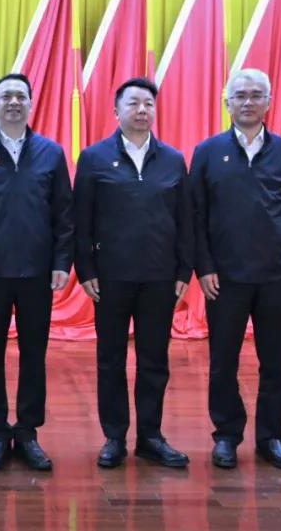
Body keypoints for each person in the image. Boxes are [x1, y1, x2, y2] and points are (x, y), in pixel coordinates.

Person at [189, 68, 281, 472]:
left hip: (277, 276)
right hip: (225, 278)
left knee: (276, 364)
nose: (248, 102)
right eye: (240, 95)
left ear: (269, 103)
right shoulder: (207, 152)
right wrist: (204, 266)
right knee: (222, 362)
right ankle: (226, 435)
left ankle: (271, 438)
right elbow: (196, 216)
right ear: (227, 103)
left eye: (256, 95)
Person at [0, 73, 74, 471]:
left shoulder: (51, 153)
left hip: (38, 273)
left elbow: (64, 214)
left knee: (34, 354)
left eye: (21, 95)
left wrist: (61, 262)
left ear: (30, 103)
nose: (13, 102)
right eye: (5, 96)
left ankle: (27, 431)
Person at [73, 77, 192, 469]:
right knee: (110, 359)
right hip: (110, 277)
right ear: (116, 111)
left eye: (148, 104)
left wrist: (184, 269)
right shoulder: (93, 158)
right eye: (134, 103)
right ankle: (114, 437)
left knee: (154, 359)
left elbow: (185, 219)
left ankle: (150, 437)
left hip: (160, 277)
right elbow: (81, 219)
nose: (142, 110)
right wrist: (85, 268)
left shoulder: (172, 159)